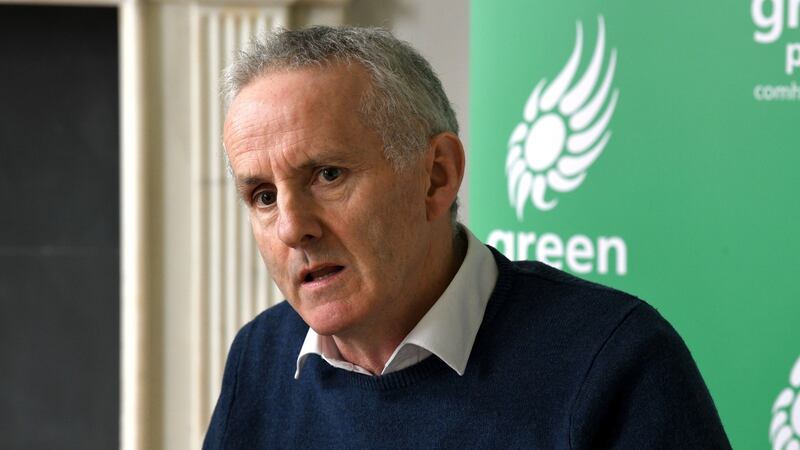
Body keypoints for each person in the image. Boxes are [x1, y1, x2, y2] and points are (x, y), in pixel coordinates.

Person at [204, 26, 731, 449]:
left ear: (437, 176)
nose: (294, 228)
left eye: (328, 175)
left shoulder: (615, 359)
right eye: (263, 196)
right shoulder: (259, 356)